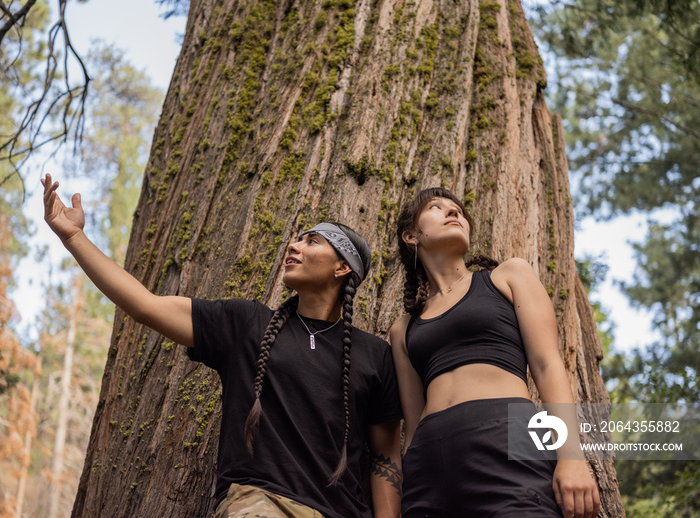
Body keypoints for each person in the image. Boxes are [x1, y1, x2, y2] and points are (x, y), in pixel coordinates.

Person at [42, 174, 403, 518]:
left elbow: (385, 457)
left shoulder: (375, 355)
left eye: (311, 241)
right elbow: (145, 305)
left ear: (342, 268)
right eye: (297, 239)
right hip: (259, 503)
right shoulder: (247, 324)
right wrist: (74, 238)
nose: (293, 245)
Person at [390, 187, 601, 518]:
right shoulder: (402, 329)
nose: (453, 212)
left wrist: (571, 456)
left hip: (508, 440)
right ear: (411, 236)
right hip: (428, 467)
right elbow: (412, 426)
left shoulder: (508, 276)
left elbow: (548, 367)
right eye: (436, 207)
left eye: (458, 209)